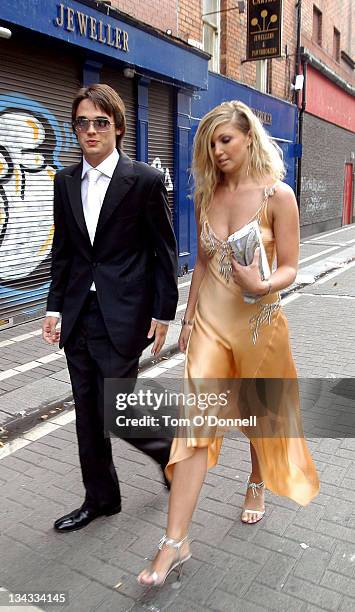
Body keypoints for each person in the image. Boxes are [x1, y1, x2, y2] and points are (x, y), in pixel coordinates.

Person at [137, 100, 319, 586]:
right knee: (194, 428)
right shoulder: (206, 196)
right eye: (210, 144)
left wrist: (264, 286)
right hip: (212, 328)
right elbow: (200, 262)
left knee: (258, 416)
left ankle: (256, 479)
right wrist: (188, 315)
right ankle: (175, 542)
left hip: (259, 324)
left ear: (248, 138)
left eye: (226, 141)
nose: (217, 152)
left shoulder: (279, 196)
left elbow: (290, 266)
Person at [42, 84, 178, 532]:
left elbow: (164, 252)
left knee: (115, 408)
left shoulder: (144, 181)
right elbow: (64, 251)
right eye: (82, 122)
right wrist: (54, 308)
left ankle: (167, 451)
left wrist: (163, 314)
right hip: (79, 314)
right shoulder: (64, 181)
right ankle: (101, 499)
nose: (91, 131)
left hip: (124, 316)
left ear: (118, 127)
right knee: (87, 410)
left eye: (101, 122)